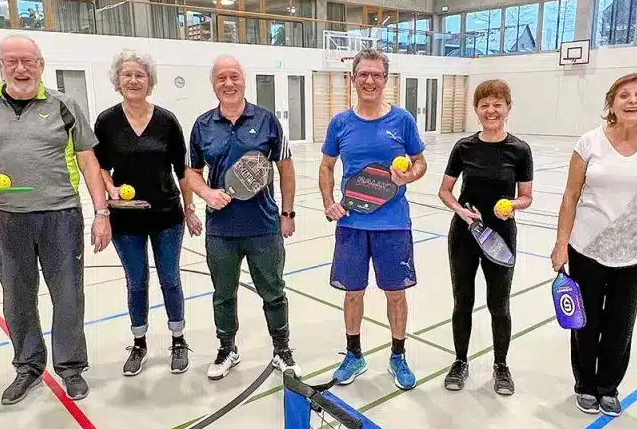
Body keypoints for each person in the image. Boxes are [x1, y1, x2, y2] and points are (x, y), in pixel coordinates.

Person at [0, 34, 111, 404]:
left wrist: (101, 212)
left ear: (41, 65)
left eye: (28, 61)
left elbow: (89, 162)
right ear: (0, 65)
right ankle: (28, 367)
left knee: (68, 295)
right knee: (17, 297)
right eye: (12, 61)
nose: (21, 69)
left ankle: (71, 367)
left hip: (60, 216)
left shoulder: (64, 105)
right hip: (6, 219)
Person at [551, 72, 637, 417]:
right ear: (612, 103)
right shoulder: (589, 142)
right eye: (624, 95)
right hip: (587, 247)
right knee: (585, 321)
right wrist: (561, 243)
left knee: (621, 324)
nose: (633, 101)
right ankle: (584, 385)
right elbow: (571, 194)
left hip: (635, 252)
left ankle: (608, 387)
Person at [185, 55, 299, 380]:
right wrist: (206, 193)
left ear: (243, 81)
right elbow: (191, 173)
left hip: (263, 227)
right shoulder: (202, 126)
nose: (228, 83)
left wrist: (287, 213)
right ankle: (227, 349)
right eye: (221, 78)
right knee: (223, 294)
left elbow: (286, 168)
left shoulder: (267, 121)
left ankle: (281, 349)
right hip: (221, 230)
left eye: (234, 76)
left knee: (273, 291)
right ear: (213, 85)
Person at [319, 49, 427, 391]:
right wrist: (329, 202)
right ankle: (354, 355)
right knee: (353, 293)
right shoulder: (340, 123)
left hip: (393, 225)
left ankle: (398, 355)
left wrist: (409, 175)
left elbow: (420, 162)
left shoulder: (402, 120)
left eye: (376, 75)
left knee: (395, 294)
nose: (370, 80)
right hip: (352, 225)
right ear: (353, 79)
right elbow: (326, 166)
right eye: (363, 74)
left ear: (385, 79)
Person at [94, 50, 202, 377]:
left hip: (167, 216)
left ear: (150, 81)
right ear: (117, 81)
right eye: (127, 75)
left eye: (140, 75)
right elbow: (99, 167)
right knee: (137, 282)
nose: (133, 80)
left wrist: (189, 210)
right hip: (125, 219)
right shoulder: (106, 122)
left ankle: (178, 339)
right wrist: (110, 189)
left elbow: (182, 170)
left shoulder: (167, 121)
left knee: (170, 278)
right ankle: (139, 343)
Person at [437, 79, 533, 394]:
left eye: (497, 104)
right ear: (476, 109)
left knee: (499, 304)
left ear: (508, 108)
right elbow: (445, 191)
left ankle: (501, 366)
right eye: (484, 105)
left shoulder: (520, 150)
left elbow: (526, 197)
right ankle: (460, 361)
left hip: (501, 237)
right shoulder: (463, 147)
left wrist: (513, 205)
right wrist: (460, 211)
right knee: (462, 300)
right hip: (464, 235)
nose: (491, 110)